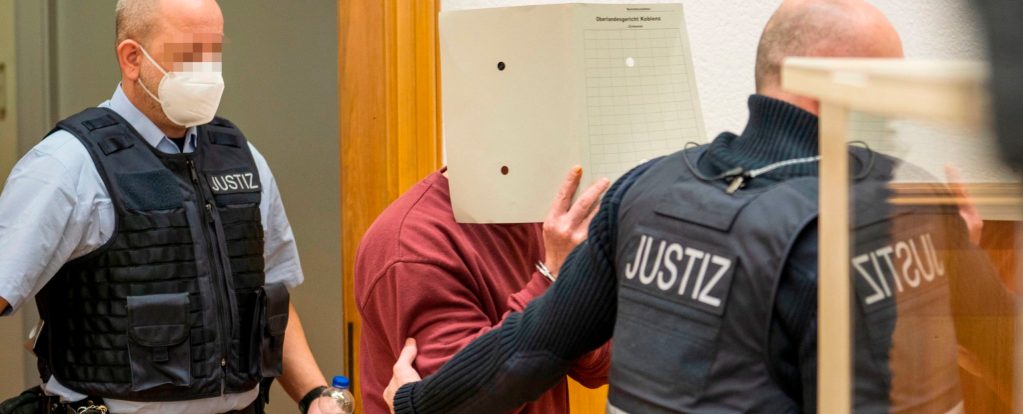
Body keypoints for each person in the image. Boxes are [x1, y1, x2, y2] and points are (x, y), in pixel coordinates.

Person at [384, 0, 1015, 413]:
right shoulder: (893, 211)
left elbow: (531, 349)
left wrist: (416, 406)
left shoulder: (643, 193)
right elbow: (1007, 349)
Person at [0, 1, 332, 413]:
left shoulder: (242, 159)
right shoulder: (67, 166)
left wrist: (316, 395)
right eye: (190, 55)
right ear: (132, 59)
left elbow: (270, 300)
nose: (206, 72)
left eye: (213, 53)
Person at [355, 166, 612, 413]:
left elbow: (606, 365)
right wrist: (555, 279)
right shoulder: (413, 246)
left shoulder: (542, 221)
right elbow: (467, 403)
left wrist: (573, 313)